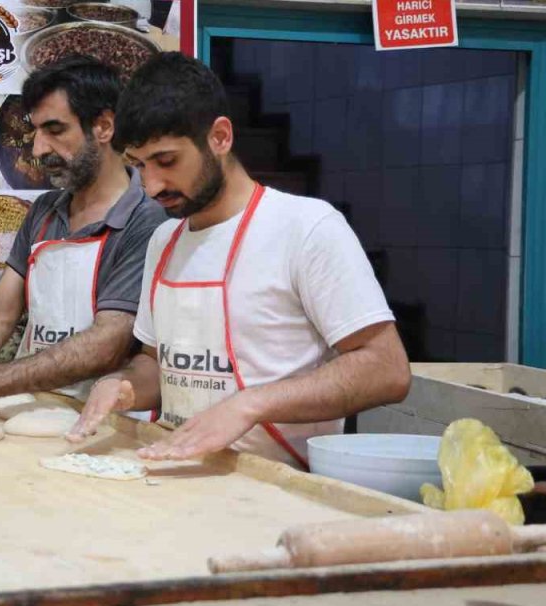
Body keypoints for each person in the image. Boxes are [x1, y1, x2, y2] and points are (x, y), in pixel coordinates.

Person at [69, 53, 411, 468]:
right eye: (139, 166)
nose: (152, 185)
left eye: (167, 160)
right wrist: (122, 385)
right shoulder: (164, 241)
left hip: (276, 485)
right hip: (176, 473)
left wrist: (249, 405)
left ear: (220, 137)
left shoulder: (306, 228)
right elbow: (156, 365)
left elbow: (386, 370)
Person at [0, 56, 166, 419]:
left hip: (108, 425)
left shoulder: (147, 221)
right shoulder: (45, 211)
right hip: (35, 408)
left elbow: (109, 342)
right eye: (37, 131)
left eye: (55, 130)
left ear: (103, 126)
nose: (38, 149)